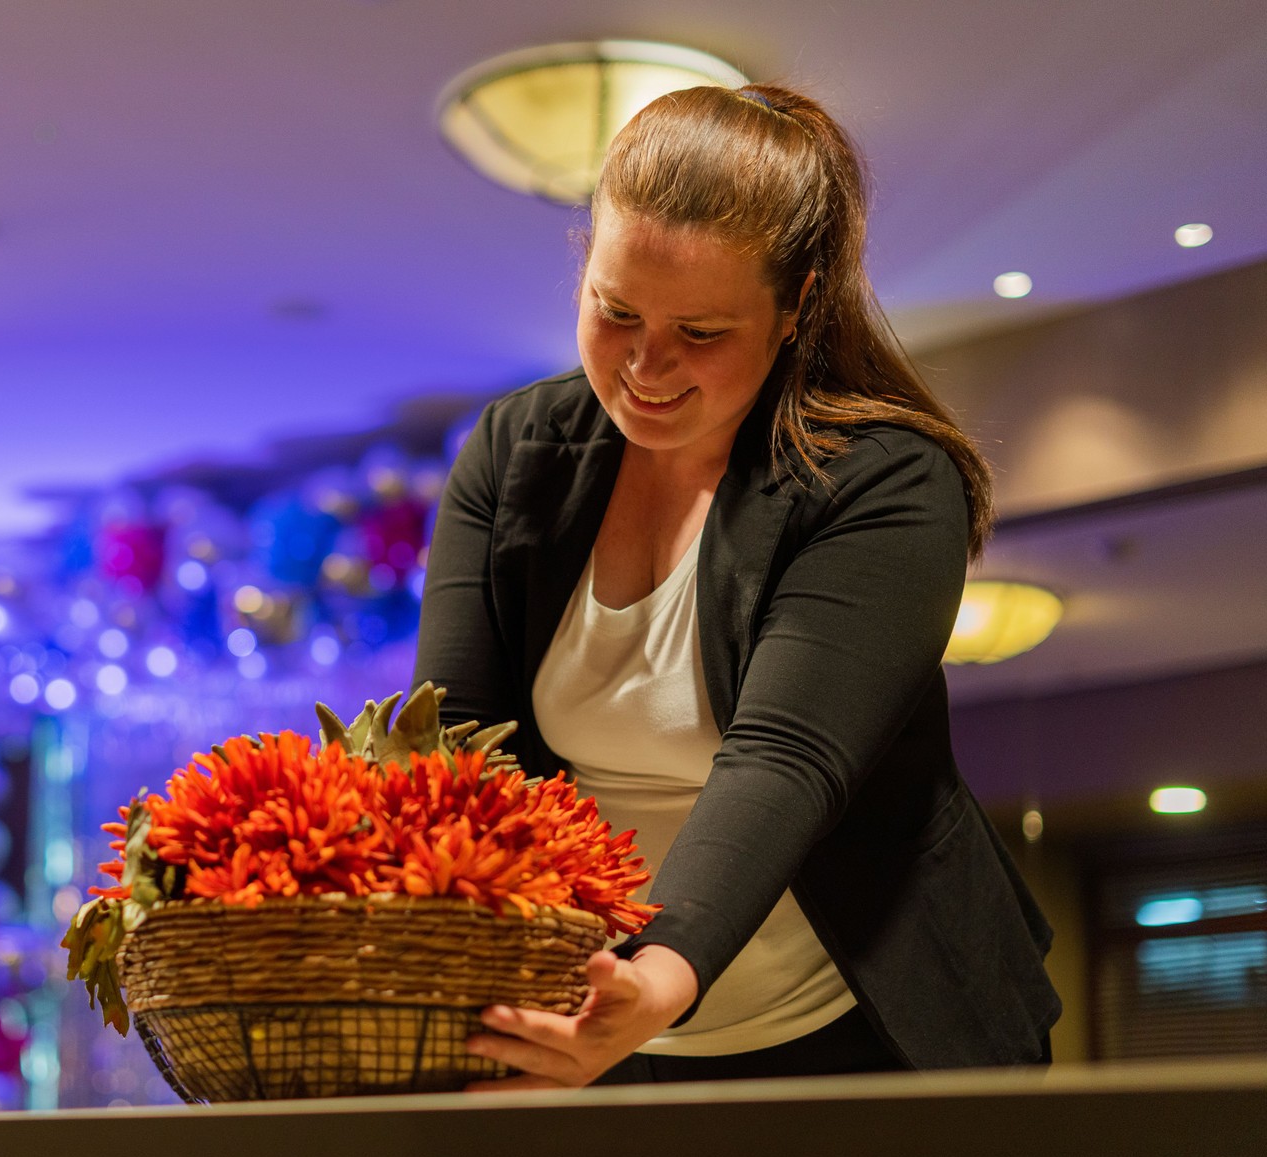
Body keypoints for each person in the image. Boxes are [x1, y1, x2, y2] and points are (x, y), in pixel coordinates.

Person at [414, 84, 1060, 1088]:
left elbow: (783, 760)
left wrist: (657, 976)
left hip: (869, 1032)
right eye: (614, 310)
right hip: (600, 1027)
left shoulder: (883, 480)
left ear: (798, 303)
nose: (645, 366)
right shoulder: (515, 452)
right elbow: (458, 749)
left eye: (702, 332)